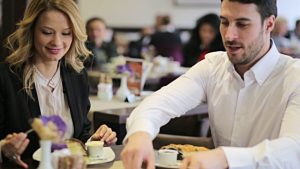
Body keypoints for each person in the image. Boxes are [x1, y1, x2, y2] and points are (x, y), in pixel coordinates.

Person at [121, 0, 300, 168]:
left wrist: (224, 157)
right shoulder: (213, 66)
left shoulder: (294, 77)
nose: (229, 35)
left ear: (269, 24)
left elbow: (293, 151)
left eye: (242, 24)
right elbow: (159, 103)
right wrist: (140, 134)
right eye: (224, 22)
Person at [0, 0, 117, 168]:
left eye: (66, 33)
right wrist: (4, 148)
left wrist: (94, 141)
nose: (57, 42)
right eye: (47, 32)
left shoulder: (77, 75)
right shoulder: (6, 78)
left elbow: (81, 133)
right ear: (31, 30)